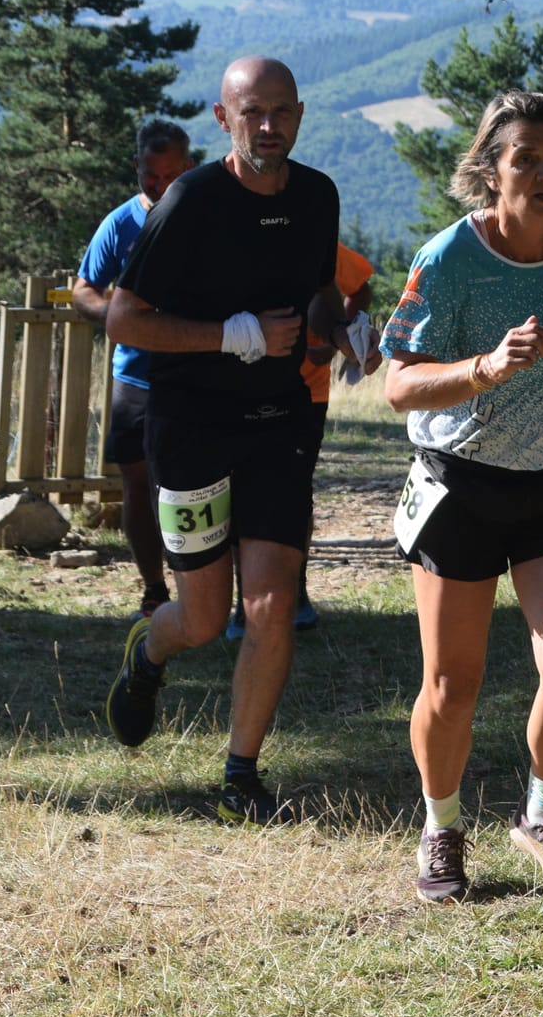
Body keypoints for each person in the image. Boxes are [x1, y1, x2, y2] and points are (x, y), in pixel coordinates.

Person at [379, 90, 543, 903]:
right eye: (526, 158)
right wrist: (484, 368)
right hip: (461, 480)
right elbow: (398, 384)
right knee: (453, 684)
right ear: (490, 171)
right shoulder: (449, 259)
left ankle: (542, 813)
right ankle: (441, 825)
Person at [102, 56, 356, 824]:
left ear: (300, 114)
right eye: (253, 113)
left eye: (282, 111)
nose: (269, 127)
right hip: (190, 427)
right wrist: (229, 335)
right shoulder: (191, 200)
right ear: (224, 118)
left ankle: (240, 780)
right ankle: (149, 651)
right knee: (205, 618)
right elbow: (123, 319)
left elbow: (319, 294)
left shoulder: (317, 195)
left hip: (278, 423)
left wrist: (350, 328)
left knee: (272, 603)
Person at [226, 240, 382, 641]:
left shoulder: (315, 237)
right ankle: (245, 602)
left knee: (294, 492)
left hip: (305, 391)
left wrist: (332, 340)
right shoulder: (229, 232)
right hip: (235, 388)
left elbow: (360, 287)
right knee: (236, 492)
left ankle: (295, 593)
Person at [71, 119, 193, 620]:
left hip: (195, 377)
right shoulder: (119, 223)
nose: (159, 185)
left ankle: (201, 592)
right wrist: (118, 318)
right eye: (150, 175)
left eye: (170, 175)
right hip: (135, 380)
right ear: (136, 167)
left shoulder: (206, 217)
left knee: (193, 486)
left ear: (189, 167)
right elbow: (83, 290)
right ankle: (153, 589)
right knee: (137, 486)